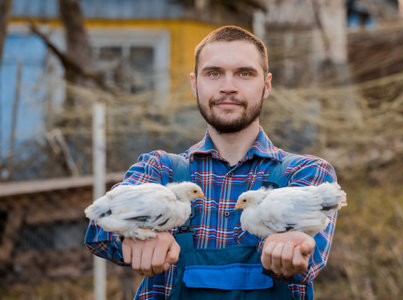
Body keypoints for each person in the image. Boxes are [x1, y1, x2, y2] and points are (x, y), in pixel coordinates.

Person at [85, 25, 339, 300]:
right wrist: (136, 234)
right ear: (195, 84)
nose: (228, 87)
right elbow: (99, 229)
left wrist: (292, 247)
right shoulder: (158, 171)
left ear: (266, 86)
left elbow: (310, 258)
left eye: (244, 74)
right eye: (214, 73)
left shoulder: (306, 174)